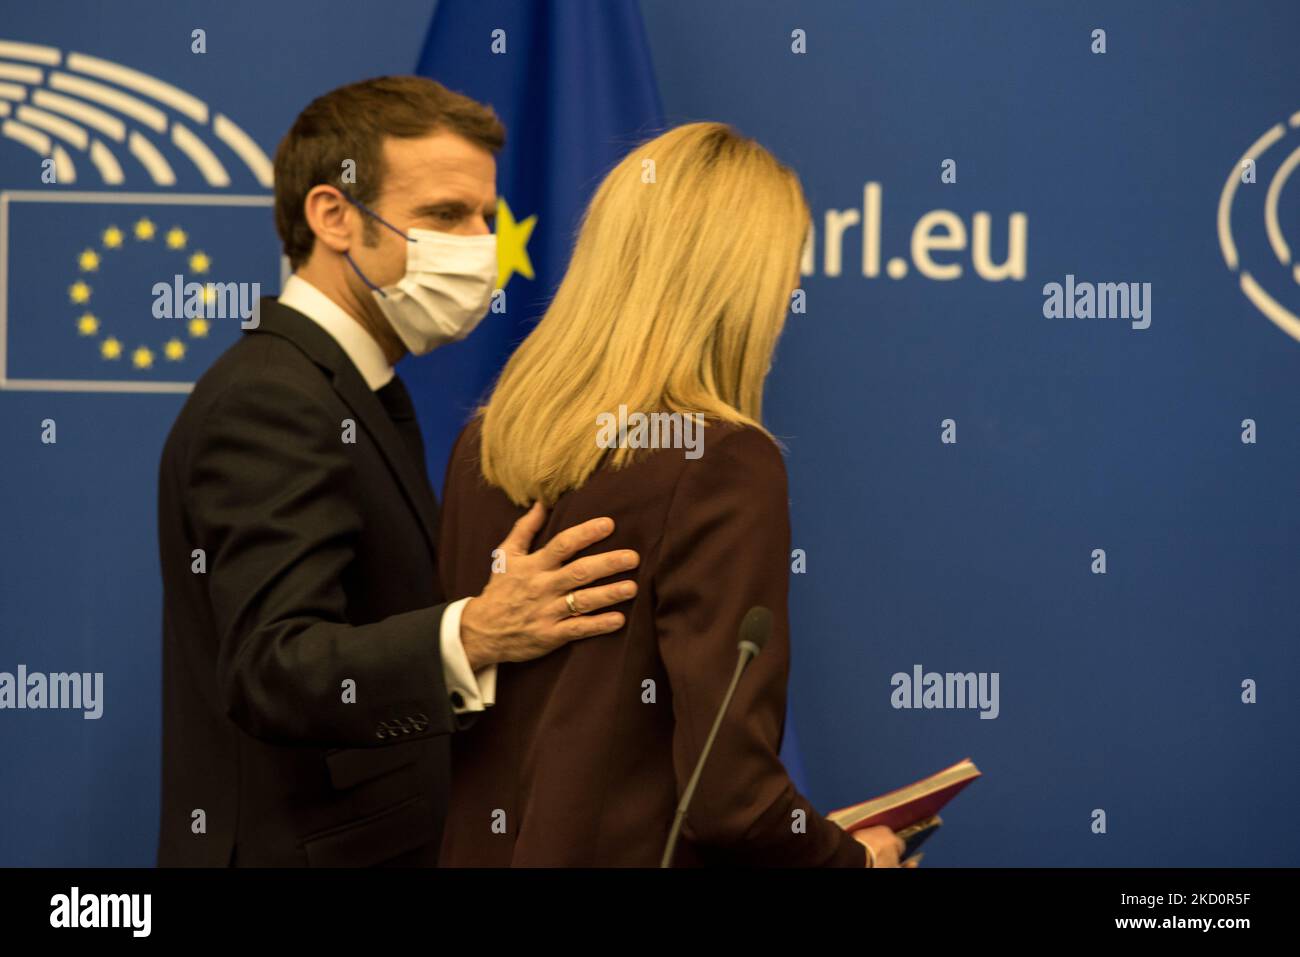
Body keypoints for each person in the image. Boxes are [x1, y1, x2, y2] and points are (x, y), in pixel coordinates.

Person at [156, 76, 640, 867]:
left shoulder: (350, 386)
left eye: (487, 216)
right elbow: (273, 665)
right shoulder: (273, 400)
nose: (481, 245)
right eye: (444, 215)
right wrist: (475, 631)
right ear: (333, 215)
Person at [437, 122, 906, 867]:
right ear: (735, 282)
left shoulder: (487, 445)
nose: (791, 292)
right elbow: (729, 798)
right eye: (785, 267)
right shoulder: (725, 462)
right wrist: (852, 859)